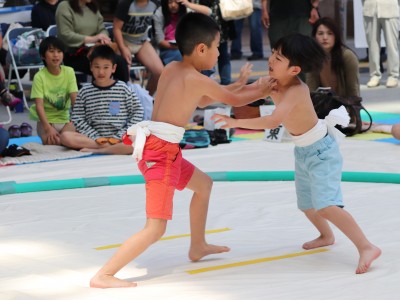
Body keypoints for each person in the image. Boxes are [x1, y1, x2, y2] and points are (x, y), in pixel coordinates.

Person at [89, 12, 272, 288]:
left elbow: (207, 98)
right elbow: (231, 99)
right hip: (160, 155)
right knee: (156, 227)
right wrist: (262, 89)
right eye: (217, 46)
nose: (219, 52)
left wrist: (245, 85)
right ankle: (104, 274)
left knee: (204, 186)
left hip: (165, 151)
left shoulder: (174, 69)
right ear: (201, 49)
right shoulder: (195, 78)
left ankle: (197, 245)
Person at [212, 33, 381, 274]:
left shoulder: (296, 90)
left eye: (279, 57)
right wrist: (236, 84)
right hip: (303, 151)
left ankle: (366, 246)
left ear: (294, 69)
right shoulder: (271, 82)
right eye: (273, 53)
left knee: (326, 206)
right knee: (306, 205)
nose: (271, 59)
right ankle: (326, 234)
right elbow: (239, 97)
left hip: (322, 152)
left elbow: (272, 121)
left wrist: (232, 122)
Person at [60, 45, 144, 155]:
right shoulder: (85, 91)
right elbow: (77, 118)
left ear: (113, 68)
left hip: (119, 137)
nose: (101, 72)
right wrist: (96, 137)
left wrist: (121, 135)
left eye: (106, 67)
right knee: (66, 136)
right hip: (93, 137)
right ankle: (108, 147)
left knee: (139, 141)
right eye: (97, 67)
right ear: (91, 67)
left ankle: (99, 150)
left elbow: (138, 111)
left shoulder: (123, 88)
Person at [56, 0, 130, 83]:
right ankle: (118, 90)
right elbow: (66, 34)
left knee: (118, 61)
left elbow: (102, 29)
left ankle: (123, 90)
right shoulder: (64, 6)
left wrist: (103, 38)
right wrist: (93, 38)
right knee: (112, 63)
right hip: (74, 54)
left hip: (95, 50)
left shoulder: (92, 7)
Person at [28, 36, 78, 145]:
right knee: (54, 142)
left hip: (66, 121)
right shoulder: (39, 76)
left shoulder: (69, 72)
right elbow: (39, 106)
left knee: (70, 138)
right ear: (43, 56)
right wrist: (47, 128)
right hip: (46, 122)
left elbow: (75, 99)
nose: (56, 55)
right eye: (51, 51)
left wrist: (76, 119)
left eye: (59, 51)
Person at [113, 0, 164, 95]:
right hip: (124, 42)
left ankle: (146, 98)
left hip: (141, 42)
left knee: (160, 72)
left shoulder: (155, 3)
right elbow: (116, 28)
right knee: (124, 76)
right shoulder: (125, 4)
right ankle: (125, 102)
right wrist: (123, 48)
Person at [306, 17, 360, 98]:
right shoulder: (313, 57)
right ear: (314, 37)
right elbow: (311, 89)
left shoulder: (348, 56)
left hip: (344, 105)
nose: (325, 37)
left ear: (336, 36)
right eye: (320, 33)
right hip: (321, 105)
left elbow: (353, 90)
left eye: (329, 33)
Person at [193, 0, 235, 85]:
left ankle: (213, 81)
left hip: (211, 25)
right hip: (219, 23)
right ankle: (224, 82)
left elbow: (208, 10)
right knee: (222, 54)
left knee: (214, 54)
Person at [362, 0, 400, 88]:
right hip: (370, 8)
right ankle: (374, 75)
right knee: (372, 45)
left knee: (392, 45)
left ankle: (393, 75)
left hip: (390, 7)